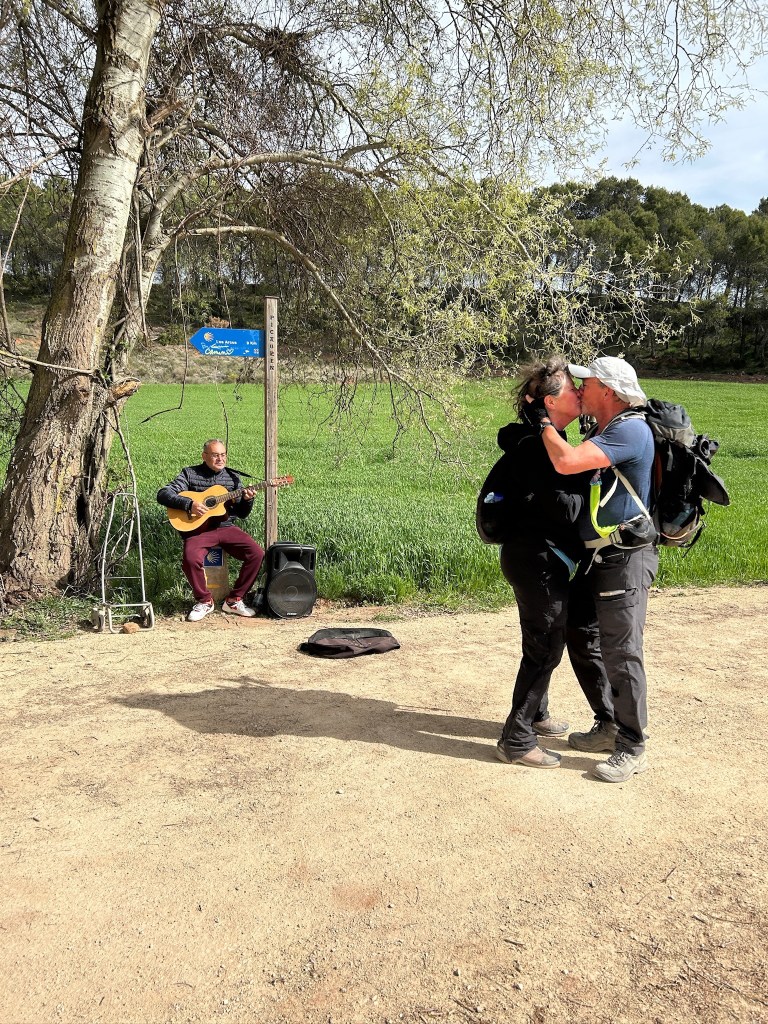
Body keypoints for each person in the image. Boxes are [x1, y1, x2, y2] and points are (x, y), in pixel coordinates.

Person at [531, 356, 657, 783]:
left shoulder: (629, 429)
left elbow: (567, 462)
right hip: (598, 558)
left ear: (609, 390)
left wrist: (541, 421)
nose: (580, 388)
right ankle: (609, 724)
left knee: (622, 650)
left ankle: (632, 745)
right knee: (582, 635)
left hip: (625, 559)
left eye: (586, 383)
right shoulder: (603, 430)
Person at [493, 356, 610, 769]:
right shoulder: (537, 447)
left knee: (541, 639)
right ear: (549, 402)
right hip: (536, 561)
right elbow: (565, 510)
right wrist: (594, 478)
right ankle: (516, 739)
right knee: (544, 648)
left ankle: (537, 715)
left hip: (536, 557)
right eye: (571, 389)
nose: (579, 393)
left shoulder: (546, 439)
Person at [157, 440, 265, 621]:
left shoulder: (232, 478)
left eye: (223, 455)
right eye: (215, 455)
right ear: (204, 456)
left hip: (226, 527)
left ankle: (234, 600)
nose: (220, 459)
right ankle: (205, 601)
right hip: (199, 530)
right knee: (190, 559)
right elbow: (163, 494)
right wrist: (189, 504)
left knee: (256, 553)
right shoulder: (190, 473)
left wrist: (248, 500)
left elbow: (242, 514)